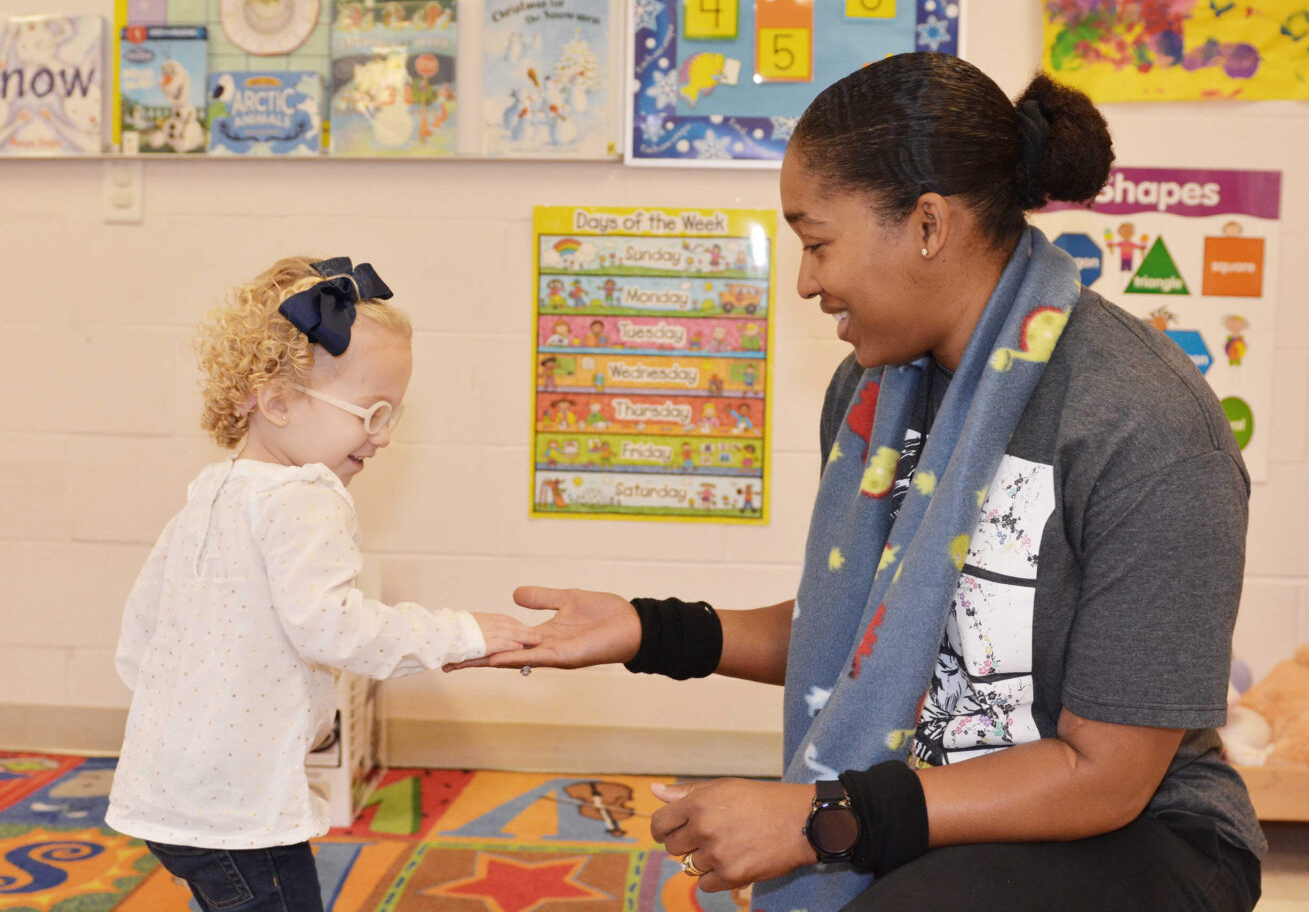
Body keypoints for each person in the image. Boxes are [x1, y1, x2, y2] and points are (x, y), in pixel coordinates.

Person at [466, 53, 1264, 911]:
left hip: (1143, 831)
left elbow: (1104, 777)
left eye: (816, 243)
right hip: (931, 799)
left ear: (927, 225)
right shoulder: (871, 394)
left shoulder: (1146, 426)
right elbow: (867, 630)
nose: (807, 280)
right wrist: (647, 630)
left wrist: (824, 817)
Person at [106, 257, 538, 912]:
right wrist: (462, 633)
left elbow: (139, 634)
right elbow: (335, 627)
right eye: (372, 412)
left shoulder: (212, 490)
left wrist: (190, 733)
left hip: (166, 789)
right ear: (277, 400)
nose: (385, 436)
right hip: (237, 809)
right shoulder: (307, 494)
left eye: (395, 415)